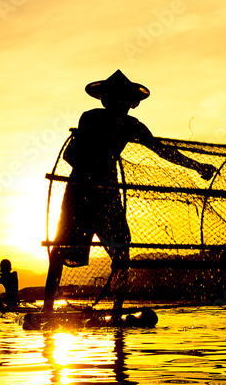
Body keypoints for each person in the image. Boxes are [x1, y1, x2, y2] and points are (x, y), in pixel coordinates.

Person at [43, 70, 215, 319]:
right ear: (106, 99)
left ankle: (117, 311)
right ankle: (47, 309)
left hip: (108, 194)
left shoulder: (132, 125)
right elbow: (72, 154)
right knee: (61, 249)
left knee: (122, 249)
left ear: (131, 102)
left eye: (124, 99)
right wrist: (92, 167)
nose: (120, 103)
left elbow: (163, 151)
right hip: (80, 192)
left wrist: (198, 167)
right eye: (115, 98)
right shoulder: (90, 118)